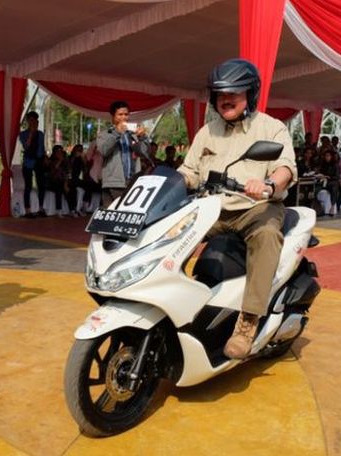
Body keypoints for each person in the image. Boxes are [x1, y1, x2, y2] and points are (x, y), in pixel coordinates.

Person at [178, 58, 297, 359]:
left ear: (250, 94)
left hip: (256, 209)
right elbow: (190, 170)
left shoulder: (271, 128)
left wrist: (269, 184)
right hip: (213, 209)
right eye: (220, 93)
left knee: (267, 235)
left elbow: (286, 168)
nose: (225, 99)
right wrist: (170, 181)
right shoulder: (207, 132)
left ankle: (248, 321)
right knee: (173, 232)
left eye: (234, 92)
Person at [97, 100, 149, 207]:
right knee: (113, 214)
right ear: (113, 116)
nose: (123, 117)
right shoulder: (105, 134)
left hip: (133, 182)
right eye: (120, 114)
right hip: (114, 183)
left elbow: (145, 153)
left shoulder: (133, 135)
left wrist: (143, 137)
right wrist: (117, 133)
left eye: (126, 114)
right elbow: (104, 150)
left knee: (129, 214)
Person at [18, 111, 47, 217]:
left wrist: (45, 158)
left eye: (35, 121)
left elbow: (41, 148)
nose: (33, 123)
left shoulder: (41, 134)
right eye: (30, 120)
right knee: (28, 186)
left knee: (41, 185)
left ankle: (41, 208)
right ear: (28, 122)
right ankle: (28, 210)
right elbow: (26, 147)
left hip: (39, 161)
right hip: (28, 162)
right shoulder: (23, 134)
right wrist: (31, 134)